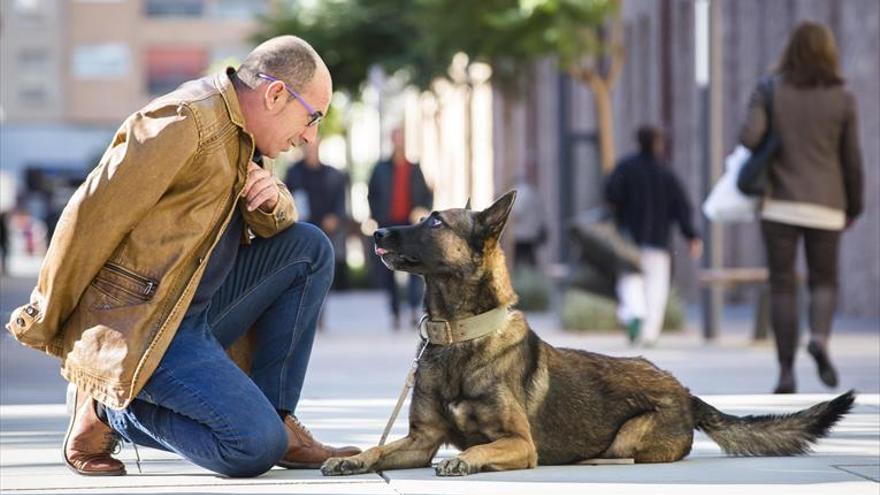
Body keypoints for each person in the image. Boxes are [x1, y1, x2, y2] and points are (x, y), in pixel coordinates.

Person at [4, 35, 360, 478]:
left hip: (196, 312)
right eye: (312, 118)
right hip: (146, 325)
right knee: (251, 447)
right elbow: (89, 215)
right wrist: (45, 316)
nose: (310, 135)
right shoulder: (183, 121)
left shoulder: (243, 133)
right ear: (274, 94)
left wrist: (275, 202)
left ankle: (276, 417)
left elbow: (273, 224)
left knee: (309, 248)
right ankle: (109, 407)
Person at [740, 22, 863, 394]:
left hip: (779, 203)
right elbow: (852, 160)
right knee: (824, 280)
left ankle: (786, 371)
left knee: (782, 285)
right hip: (827, 203)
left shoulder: (771, 89)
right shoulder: (843, 97)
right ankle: (820, 340)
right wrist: (853, 206)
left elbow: (748, 137)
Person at [604, 125, 703, 347]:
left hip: (629, 238)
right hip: (659, 241)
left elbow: (610, 194)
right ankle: (649, 333)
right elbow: (682, 207)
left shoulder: (625, 167)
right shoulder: (666, 173)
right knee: (656, 288)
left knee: (629, 280)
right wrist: (691, 236)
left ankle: (633, 314)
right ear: (658, 143)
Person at [367, 127, 432, 330]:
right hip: (388, 225)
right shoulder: (380, 169)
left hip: (410, 225)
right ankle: (395, 312)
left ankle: (413, 308)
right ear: (392, 141)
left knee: (414, 267)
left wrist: (421, 210)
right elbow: (372, 195)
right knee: (389, 270)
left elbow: (426, 196)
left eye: (402, 140)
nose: (399, 144)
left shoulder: (414, 168)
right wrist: (377, 217)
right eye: (396, 140)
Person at [285, 138, 350, 292]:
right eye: (308, 147)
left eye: (314, 147)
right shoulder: (293, 173)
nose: (311, 150)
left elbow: (341, 201)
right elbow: (286, 197)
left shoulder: (333, 174)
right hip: (302, 227)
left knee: (322, 273)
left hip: (326, 230)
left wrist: (335, 216)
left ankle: (319, 312)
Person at [510, 175, 546, 268]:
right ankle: (533, 277)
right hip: (532, 233)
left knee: (519, 261)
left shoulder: (520, 193)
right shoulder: (533, 192)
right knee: (530, 260)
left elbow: (517, 213)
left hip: (521, 234)